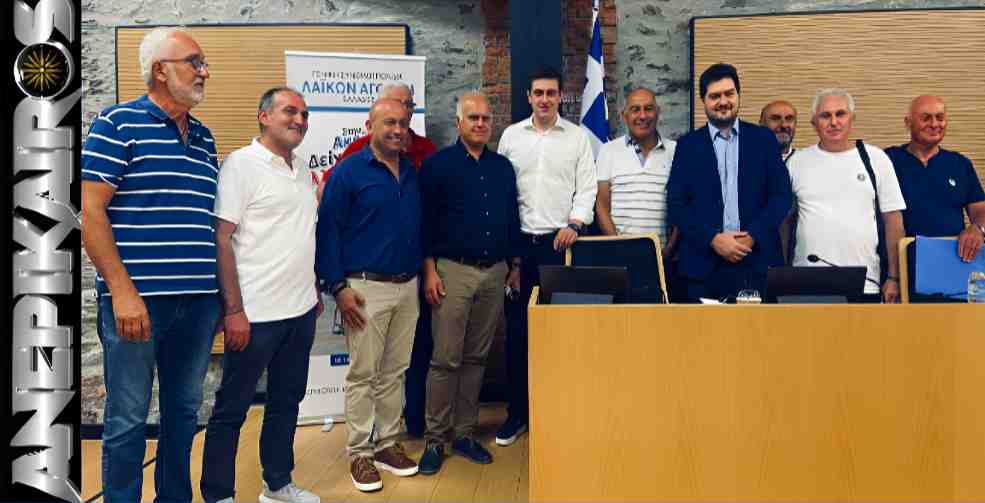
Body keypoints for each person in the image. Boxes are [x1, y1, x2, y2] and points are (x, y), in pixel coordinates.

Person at [81, 27, 220, 502]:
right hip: (137, 303)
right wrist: (121, 291)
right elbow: (91, 212)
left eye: (203, 63)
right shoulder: (117, 124)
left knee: (184, 412)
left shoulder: (204, 137)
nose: (204, 71)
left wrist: (220, 299)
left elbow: (204, 222)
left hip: (198, 304)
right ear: (161, 70)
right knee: (127, 417)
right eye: (194, 62)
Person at [199, 87, 321, 503]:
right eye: (290, 111)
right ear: (264, 116)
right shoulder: (241, 165)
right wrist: (233, 309)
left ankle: (277, 484)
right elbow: (222, 238)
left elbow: (299, 233)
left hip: (300, 311)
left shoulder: (301, 168)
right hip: (254, 315)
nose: (300, 120)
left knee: (286, 402)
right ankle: (218, 495)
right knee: (232, 409)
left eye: (305, 114)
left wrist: (312, 287)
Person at [316, 97, 422, 492]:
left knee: (395, 372)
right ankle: (359, 452)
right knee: (363, 374)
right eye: (389, 123)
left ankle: (387, 445)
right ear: (370, 126)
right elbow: (327, 233)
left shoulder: (410, 172)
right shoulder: (348, 172)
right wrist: (338, 287)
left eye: (403, 124)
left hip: (407, 287)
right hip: (363, 288)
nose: (397, 130)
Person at [416, 92, 522, 474]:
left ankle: (463, 434)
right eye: (473, 117)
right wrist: (429, 270)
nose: (480, 124)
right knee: (446, 358)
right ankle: (435, 439)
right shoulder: (437, 165)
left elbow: (511, 218)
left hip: (495, 272)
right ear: (458, 122)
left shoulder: (502, 168)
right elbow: (424, 222)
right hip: (452, 272)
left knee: (477, 358)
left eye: (485, 118)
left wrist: (514, 265)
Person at [495, 65, 596, 447]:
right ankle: (517, 415)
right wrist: (511, 258)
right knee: (518, 333)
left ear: (560, 97)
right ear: (528, 96)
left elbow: (587, 188)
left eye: (551, 93)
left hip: (560, 247)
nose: (544, 99)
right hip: (520, 249)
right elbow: (502, 191)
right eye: (538, 93)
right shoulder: (511, 136)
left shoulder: (577, 138)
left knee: (561, 333)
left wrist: (576, 223)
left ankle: (558, 412)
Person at [666, 63, 792, 302]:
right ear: (704, 101)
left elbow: (781, 197)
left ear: (738, 95)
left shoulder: (764, 140)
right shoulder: (688, 145)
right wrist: (713, 239)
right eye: (715, 96)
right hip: (703, 267)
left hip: (757, 263)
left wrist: (752, 236)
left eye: (729, 94)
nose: (723, 101)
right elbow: (677, 204)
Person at [787, 89, 906, 302]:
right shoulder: (796, 162)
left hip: (865, 282)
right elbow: (784, 223)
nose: (834, 122)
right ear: (814, 123)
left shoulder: (876, 159)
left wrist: (894, 277)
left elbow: (893, 221)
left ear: (852, 119)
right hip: (806, 281)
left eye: (840, 114)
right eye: (825, 116)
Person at [884, 95, 985, 262]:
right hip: (899, 265)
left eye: (940, 118)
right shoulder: (886, 160)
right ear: (908, 123)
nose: (934, 124)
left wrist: (978, 228)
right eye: (926, 118)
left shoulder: (960, 164)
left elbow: (980, 210)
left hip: (952, 262)